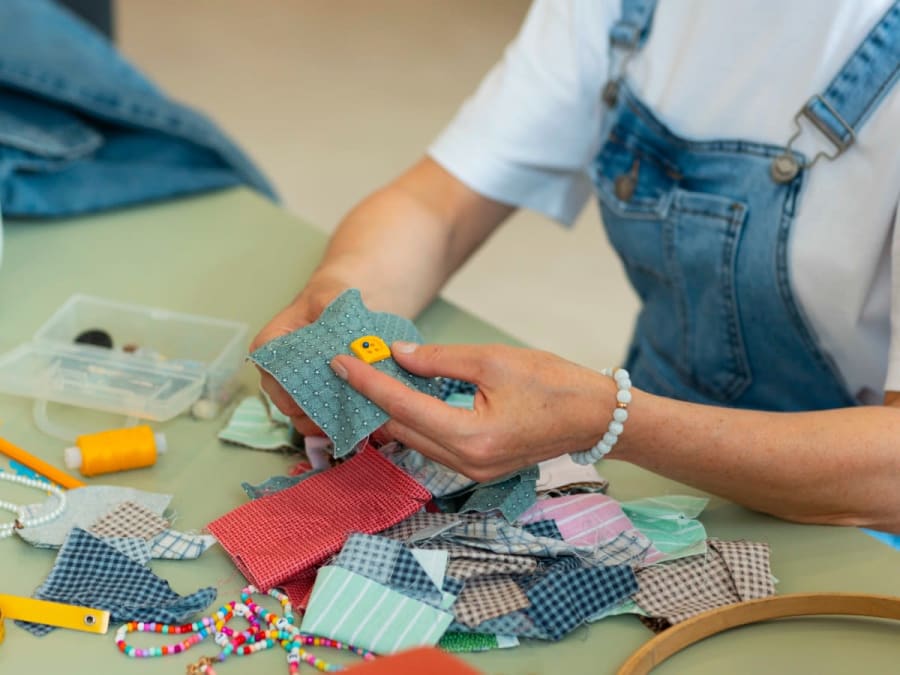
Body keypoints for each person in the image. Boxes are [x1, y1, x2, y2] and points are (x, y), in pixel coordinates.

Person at [252, 0, 900, 535]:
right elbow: (438, 205)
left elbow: (890, 471)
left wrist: (609, 419)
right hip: (650, 442)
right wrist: (336, 307)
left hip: (847, 505)